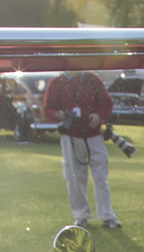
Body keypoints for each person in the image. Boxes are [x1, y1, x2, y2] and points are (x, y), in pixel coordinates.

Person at [43, 70, 121, 229]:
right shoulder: (57, 82)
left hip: (93, 135)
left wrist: (99, 116)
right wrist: (58, 114)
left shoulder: (93, 79)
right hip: (71, 136)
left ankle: (107, 216)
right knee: (75, 179)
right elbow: (48, 109)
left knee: (101, 176)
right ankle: (81, 215)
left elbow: (106, 103)